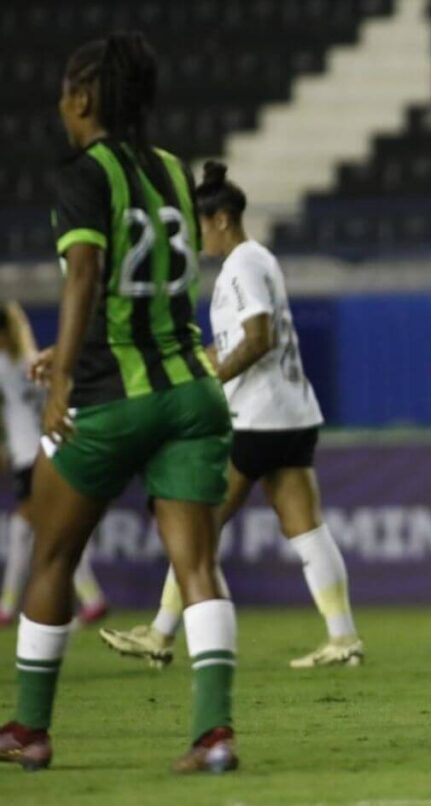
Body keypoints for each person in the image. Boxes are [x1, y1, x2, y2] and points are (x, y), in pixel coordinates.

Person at [0, 32, 238, 772]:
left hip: (113, 401)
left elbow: (86, 276)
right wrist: (71, 352)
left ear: (82, 98)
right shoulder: (172, 171)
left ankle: (29, 731)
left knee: (52, 548)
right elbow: (155, 285)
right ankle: (214, 735)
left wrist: (64, 378)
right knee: (196, 564)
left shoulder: (84, 173)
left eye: (67, 91)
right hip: (191, 393)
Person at [100, 162, 362, 670]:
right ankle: (343, 637)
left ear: (221, 219)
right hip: (294, 414)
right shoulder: (261, 259)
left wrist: (212, 377)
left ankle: (159, 633)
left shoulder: (242, 264)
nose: (197, 240)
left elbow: (258, 337)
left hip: (256, 418)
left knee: (197, 523)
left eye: (199, 227)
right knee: (306, 529)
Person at [0, 302, 108, 627]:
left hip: (26, 457)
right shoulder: (38, 362)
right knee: (47, 530)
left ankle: (8, 607)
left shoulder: (4, 365)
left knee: (35, 532)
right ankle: (91, 598)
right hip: (53, 451)